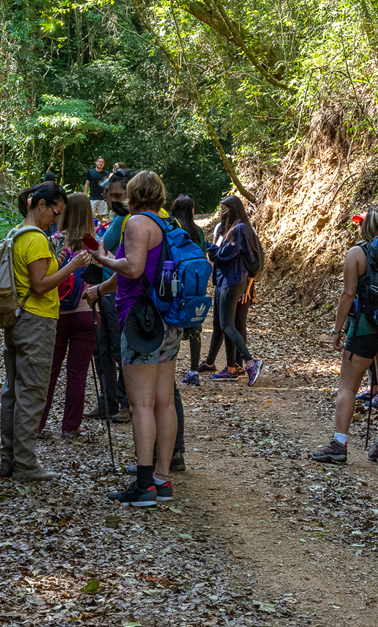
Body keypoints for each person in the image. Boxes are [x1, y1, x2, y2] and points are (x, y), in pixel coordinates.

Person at [90, 171, 178, 506]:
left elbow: (133, 269)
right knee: (164, 402)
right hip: (167, 319)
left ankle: (143, 485)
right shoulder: (167, 225)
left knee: (141, 404)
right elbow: (136, 273)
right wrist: (100, 287)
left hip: (141, 322)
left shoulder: (137, 223)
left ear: (132, 193)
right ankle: (162, 478)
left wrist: (102, 258)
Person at [0, 183, 90, 482]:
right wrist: (73, 265)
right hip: (35, 321)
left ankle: (8, 460)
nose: (56, 218)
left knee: (13, 391)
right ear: (39, 204)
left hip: (15, 319)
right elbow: (40, 285)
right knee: (32, 393)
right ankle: (25, 464)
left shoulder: (15, 233)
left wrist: (60, 264)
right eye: (55, 211)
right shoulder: (36, 240)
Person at [312, 205, 378, 465]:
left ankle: (339, 444)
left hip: (365, 327)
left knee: (347, 385)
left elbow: (347, 294)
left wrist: (336, 330)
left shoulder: (357, 253)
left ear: (364, 226)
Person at [38, 193, 98, 438]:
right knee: (77, 373)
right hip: (86, 314)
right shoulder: (95, 242)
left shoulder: (52, 241)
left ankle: (37, 424)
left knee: (49, 371)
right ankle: (71, 425)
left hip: (57, 313)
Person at [84, 169, 134, 423]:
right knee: (101, 347)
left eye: (119, 195)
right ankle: (108, 400)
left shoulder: (127, 221)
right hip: (103, 291)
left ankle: (125, 402)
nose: (115, 200)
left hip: (116, 293)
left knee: (118, 347)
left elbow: (106, 250)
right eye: (110, 195)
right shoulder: (116, 220)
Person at [203, 196, 264, 386]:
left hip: (233, 280)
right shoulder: (234, 229)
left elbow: (226, 255)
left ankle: (250, 363)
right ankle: (231, 368)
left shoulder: (240, 230)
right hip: (227, 280)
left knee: (229, 325)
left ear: (234, 209)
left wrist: (209, 248)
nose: (222, 213)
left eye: (225, 209)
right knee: (224, 325)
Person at [171, 194, 207, 386]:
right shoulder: (197, 231)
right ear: (191, 210)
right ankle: (194, 371)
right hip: (195, 285)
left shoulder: (172, 229)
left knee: (172, 326)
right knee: (195, 327)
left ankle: (168, 369)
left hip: (175, 284)